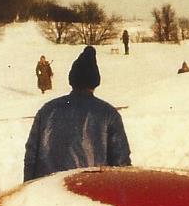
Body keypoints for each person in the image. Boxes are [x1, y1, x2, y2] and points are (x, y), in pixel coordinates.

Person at [23, 45, 131, 182]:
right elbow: (121, 165)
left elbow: (30, 158)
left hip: (48, 192)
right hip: (90, 194)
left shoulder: (47, 110)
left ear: (72, 79)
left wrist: (28, 192)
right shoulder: (108, 114)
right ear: (95, 82)